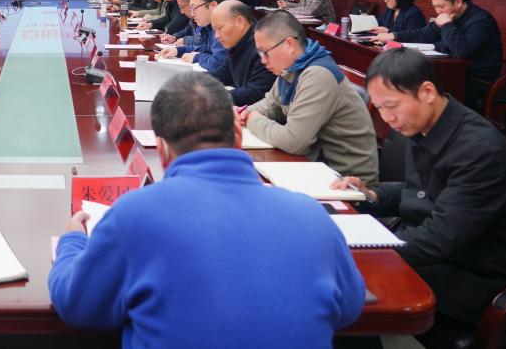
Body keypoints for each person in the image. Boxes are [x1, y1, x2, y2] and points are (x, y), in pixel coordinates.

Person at [49, 73, 365, 348]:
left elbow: (77, 305)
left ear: (162, 149)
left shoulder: (134, 214)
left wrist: (72, 241)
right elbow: (350, 308)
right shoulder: (311, 215)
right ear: (238, 137)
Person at [332, 48, 506, 329]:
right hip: (437, 257)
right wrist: (371, 195)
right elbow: (422, 190)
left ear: (427, 91)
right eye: (379, 108)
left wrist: (367, 249)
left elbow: (439, 239)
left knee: (342, 289)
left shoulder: (479, 151)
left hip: (478, 281)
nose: (386, 118)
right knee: (338, 280)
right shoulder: (428, 125)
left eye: (391, 106)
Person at [238, 9, 378, 182]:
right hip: (316, 168)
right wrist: (242, 113)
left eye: (264, 52)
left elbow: (293, 142)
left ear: (290, 44)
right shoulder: (292, 67)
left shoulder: (317, 75)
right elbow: (270, 104)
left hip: (346, 182)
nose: (263, 60)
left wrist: (252, 119)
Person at [374, 0, 503, 108]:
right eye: (435, 7)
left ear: (458, 2)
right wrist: (394, 35)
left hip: (477, 79)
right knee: (406, 81)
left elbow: (462, 51)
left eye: (441, 6)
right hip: (452, 71)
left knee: (419, 90)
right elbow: (425, 33)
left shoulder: (481, 20)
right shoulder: (449, 15)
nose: (438, 11)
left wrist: (447, 25)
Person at [210, 0, 276, 105]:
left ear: (240, 22)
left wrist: (213, 97)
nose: (216, 36)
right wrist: (196, 80)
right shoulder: (237, 42)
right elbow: (225, 73)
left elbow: (256, 93)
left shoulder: (262, 45)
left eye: (220, 28)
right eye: (215, 30)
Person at [158, 0, 226, 76]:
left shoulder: (225, 27)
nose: (192, 14)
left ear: (213, 5)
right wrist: (178, 51)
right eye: (190, 9)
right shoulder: (207, 26)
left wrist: (197, 57)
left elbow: (218, 63)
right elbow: (201, 48)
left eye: (195, 8)